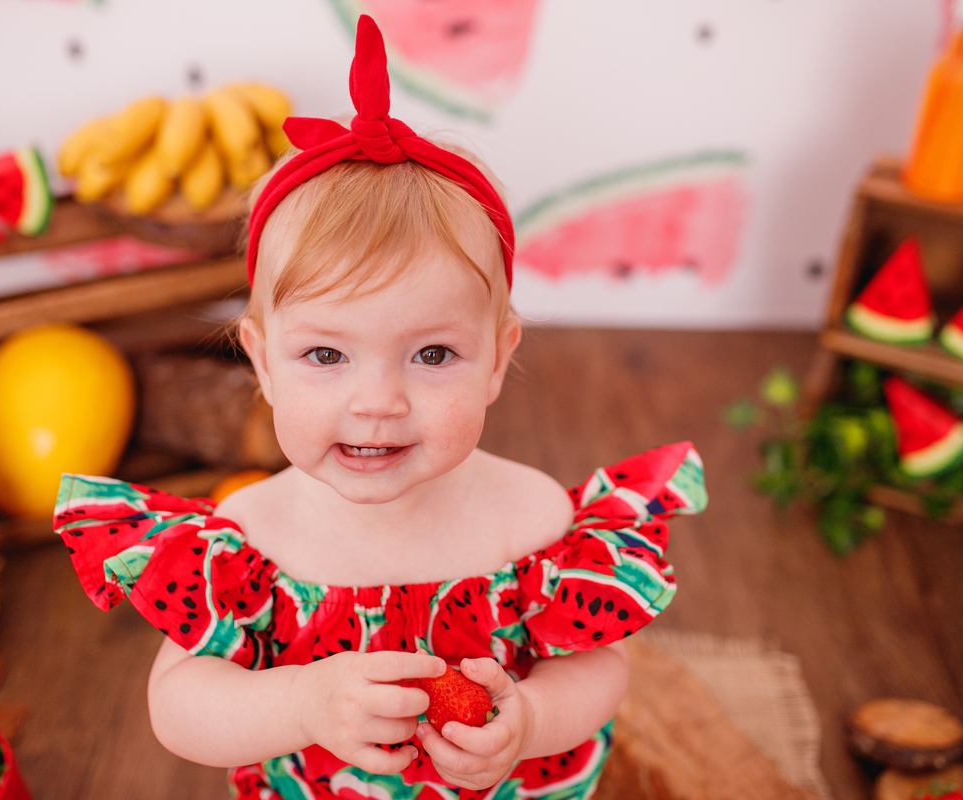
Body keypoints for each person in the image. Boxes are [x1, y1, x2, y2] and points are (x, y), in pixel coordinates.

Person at [54, 15, 707, 800]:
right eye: (325, 356)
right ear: (262, 363)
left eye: (433, 355)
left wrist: (529, 719)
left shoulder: (532, 519)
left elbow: (603, 665)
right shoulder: (249, 540)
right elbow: (178, 707)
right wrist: (302, 701)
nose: (378, 404)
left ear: (498, 359)